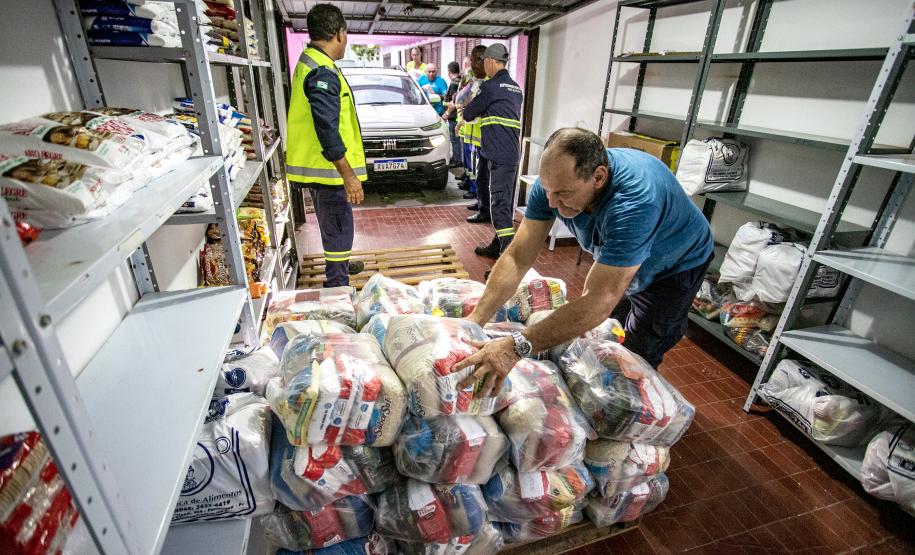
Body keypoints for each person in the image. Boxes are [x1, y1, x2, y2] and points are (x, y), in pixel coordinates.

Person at [450, 128, 715, 396]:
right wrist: (476, 319)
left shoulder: (633, 203)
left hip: (675, 264)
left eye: (562, 193)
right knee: (610, 333)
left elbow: (599, 299)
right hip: (629, 260)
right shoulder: (553, 185)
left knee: (638, 351)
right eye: (548, 191)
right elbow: (518, 257)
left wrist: (516, 346)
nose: (551, 202)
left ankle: (633, 415)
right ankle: (602, 393)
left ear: (598, 177)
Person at [285, 3, 365, 287]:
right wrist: (349, 175)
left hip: (320, 168)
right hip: (329, 170)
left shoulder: (311, 61)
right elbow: (327, 128)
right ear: (339, 33)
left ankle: (339, 265)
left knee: (333, 227)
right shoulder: (323, 71)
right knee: (339, 228)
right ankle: (337, 286)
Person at [462, 44, 523, 258]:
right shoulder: (515, 88)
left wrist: (468, 109)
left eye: (483, 62)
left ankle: (508, 259)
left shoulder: (491, 87)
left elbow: (469, 113)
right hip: (509, 154)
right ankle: (498, 245)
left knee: (499, 206)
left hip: (499, 155)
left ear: (489, 61)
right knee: (502, 201)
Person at [455, 45, 488, 203]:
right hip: (471, 130)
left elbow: (467, 102)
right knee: (473, 167)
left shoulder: (487, 83)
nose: (472, 66)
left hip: (482, 134)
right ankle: (478, 197)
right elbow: (461, 100)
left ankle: (479, 196)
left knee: (480, 170)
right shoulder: (475, 80)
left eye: (474, 61)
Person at [442, 61, 463, 168]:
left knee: (455, 139)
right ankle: (456, 158)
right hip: (455, 115)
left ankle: (457, 159)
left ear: (449, 71)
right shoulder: (459, 81)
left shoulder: (455, 83)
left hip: (453, 115)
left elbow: (454, 100)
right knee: (456, 138)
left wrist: (447, 112)